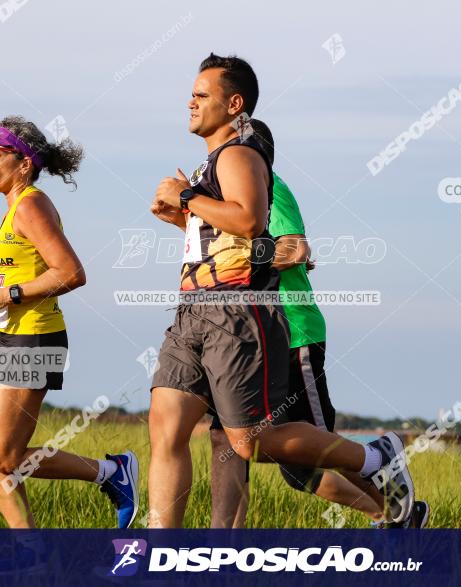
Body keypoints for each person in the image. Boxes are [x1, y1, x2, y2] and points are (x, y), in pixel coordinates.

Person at [147, 53, 414, 528]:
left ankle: (381, 476)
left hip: (262, 320)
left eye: (201, 94)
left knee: (260, 448)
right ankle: (165, 552)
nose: (189, 101)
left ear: (235, 106)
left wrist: (190, 199)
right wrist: (186, 218)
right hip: (194, 312)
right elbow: (230, 243)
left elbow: (280, 243)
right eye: (190, 93)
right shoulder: (214, 168)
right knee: (170, 427)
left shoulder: (240, 158)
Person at [207, 119, 428, 529]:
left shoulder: (273, 188)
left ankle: (402, 514)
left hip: (293, 333)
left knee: (318, 456)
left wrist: (236, 257)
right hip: (242, 339)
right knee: (235, 445)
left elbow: (294, 247)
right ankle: (224, 551)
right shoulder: (222, 199)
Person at [0, 116, 138, 529]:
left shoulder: (31, 205)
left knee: (6, 458)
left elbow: (69, 272)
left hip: (36, 339)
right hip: (6, 334)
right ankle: (31, 554)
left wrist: (4, 294)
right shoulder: (14, 207)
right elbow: (19, 278)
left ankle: (111, 473)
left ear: (23, 163)